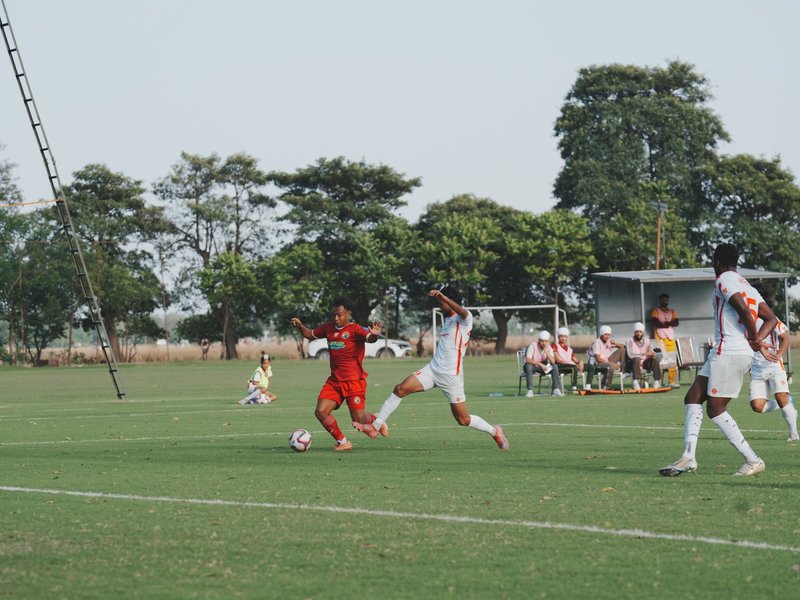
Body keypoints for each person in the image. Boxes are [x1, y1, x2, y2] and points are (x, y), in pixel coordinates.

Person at [659, 243, 778, 477]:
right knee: (692, 396)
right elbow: (771, 319)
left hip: (730, 351)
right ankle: (688, 456)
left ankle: (753, 460)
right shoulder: (747, 285)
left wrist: (756, 341)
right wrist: (759, 340)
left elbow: (744, 312)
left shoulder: (723, 280)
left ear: (717, 262)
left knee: (716, 409)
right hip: (726, 351)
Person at [352, 287, 509, 450]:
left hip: (451, 377)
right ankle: (375, 427)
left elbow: (462, 311)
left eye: (442, 302)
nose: (440, 306)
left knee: (463, 420)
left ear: (450, 301)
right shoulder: (447, 320)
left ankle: (494, 431)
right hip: (432, 370)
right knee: (400, 389)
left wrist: (443, 296)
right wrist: (442, 298)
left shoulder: (464, 319)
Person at [291, 297, 385, 451]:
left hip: (354, 381)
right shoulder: (328, 328)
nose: (336, 318)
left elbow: (370, 338)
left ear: (348, 313)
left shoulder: (355, 329)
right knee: (321, 412)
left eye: (340, 315)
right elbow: (309, 335)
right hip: (335, 382)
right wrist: (300, 326)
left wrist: (374, 334)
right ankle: (343, 442)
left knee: (359, 420)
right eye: (334, 315)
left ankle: (376, 420)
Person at [747, 284, 798, 441]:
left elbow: (785, 338)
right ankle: (789, 403)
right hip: (756, 370)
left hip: (774, 366)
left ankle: (794, 433)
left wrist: (779, 354)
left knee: (781, 397)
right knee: (757, 406)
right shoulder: (746, 322)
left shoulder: (772, 320)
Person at [650, 293, 680, 388]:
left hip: (670, 339)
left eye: (666, 300)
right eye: (662, 300)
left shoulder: (672, 311)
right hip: (659, 338)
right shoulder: (655, 311)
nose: (664, 302)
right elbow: (656, 323)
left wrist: (665, 323)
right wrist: (669, 323)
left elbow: (676, 322)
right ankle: (658, 381)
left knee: (672, 360)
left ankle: (671, 381)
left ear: (668, 301)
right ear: (660, 301)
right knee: (660, 360)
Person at [522, 331, 564, 397]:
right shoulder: (532, 346)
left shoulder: (549, 347)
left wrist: (546, 352)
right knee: (528, 366)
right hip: (533, 367)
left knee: (554, 366)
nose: (544, 343)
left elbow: (553, 361)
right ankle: (530, 390)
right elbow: (527, 359)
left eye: (546, 341)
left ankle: (556, 389)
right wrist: (539, 364)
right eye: (542, 341)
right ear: (539, 340)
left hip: (543, 368)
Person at [585, 325, 625, 390]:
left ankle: (623, 370)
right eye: (605, 334)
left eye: (609, 335)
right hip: (596, 365)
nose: (607, 336)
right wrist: (610, 363)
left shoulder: (608, 342)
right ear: (601, 334)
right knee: (610, 366)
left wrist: (615, 344)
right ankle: (605, 387)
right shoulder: (597, 343)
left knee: (622, 350)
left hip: (606, 361)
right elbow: (598, 359)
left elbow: (624, 347)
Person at [625, 322, 662, 390]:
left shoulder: (647, 341)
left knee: (655, 360)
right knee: (636, 359)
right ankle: (635, 381)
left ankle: (656, 382)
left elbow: (651, 351)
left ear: (643, 332)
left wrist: (653, 354)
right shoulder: (629, 341)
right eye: (636, 332)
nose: (638, 333)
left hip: (645, 363)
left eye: (640, 332)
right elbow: (630, 354)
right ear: (634, 332)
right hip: (633, 363)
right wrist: (643, 354)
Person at [552, 326, 584, 392]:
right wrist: (574, 364)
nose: (563, 338)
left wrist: (580, 362)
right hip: (560, 366)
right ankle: (574, 387)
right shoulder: (554, 345)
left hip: (570, 365)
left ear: (567, 337)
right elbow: (557, 360)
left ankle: (588, 386)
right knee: (574, 368)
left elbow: (575, 359)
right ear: (558, 337)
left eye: (565, 336)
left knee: (590, 367)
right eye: (561, 336)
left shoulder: (569, 349)